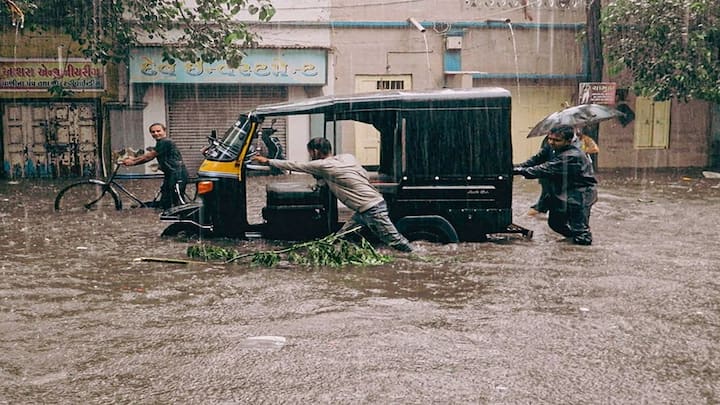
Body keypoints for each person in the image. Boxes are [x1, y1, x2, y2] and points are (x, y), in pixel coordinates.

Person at [252, 137, 415, 252]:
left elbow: (295, 165)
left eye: (310, 153)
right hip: (366, 208)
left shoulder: (323, 165)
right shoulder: (347, 157)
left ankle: (423, 257)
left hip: (371, 209)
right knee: (342, 238)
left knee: (397, 243)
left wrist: (267, 161)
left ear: (315, 151)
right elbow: (362, 174)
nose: (310, 156)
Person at [513, 125, 598, 245]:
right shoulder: (550, 147)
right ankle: (571, 242)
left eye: (557, 140)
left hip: (579, 193)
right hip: (560, 190)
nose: (552, 142)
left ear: (568, 141)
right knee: (555, 223)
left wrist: (516, 171)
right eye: (550, 138)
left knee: (580, 229)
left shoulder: (572, 156)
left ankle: (581, 252)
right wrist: (514, 167)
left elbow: (543, 169)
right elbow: (534, 161)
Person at [122, 123, 189, 210]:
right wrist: (134, 159)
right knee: (165, 201)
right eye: (153, 132)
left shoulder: (166, 142)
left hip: (177, 174)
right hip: (170, 174)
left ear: (164, 131)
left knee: (176, 201)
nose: (156, 133)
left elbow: (149, 156)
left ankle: (184, 219)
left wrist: (133, 162)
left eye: (158, 131)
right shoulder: (160, 143)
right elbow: (149, 154)